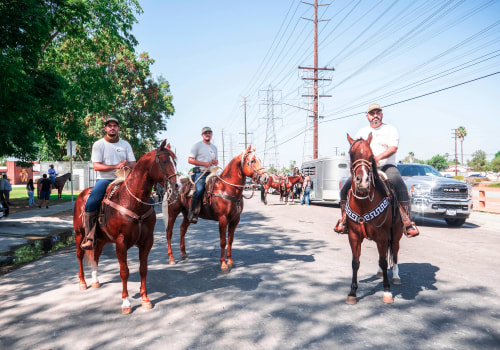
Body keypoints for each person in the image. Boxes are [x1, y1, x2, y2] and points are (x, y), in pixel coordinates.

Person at [333, 103, 419, 238]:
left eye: (378, 113)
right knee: (345, 189)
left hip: (386, 166)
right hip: (365, 168)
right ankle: (344, 220)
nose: (375, 116)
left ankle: (407, 222)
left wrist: (377, 158)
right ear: (367, 116)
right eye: (372, 113)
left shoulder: (390, 129)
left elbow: (393, 148)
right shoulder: (361, 132)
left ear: (382, 114)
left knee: (399, 184)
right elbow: (356, 152)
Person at [80, 117, 136, 250]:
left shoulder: (125, 144)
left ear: (118, 128)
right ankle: (90, 237)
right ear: (105, 128)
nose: (112, 128)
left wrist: (127, 164)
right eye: (109, 125)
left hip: (124, 179)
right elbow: (97, 166)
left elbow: (134, 163)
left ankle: (142, 232)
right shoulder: (99, 144)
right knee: (91, 202)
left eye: (115, 126)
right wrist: (116, 165)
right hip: (105, 179)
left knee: (147, 200)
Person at [187, 126, 218, 224]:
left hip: (212, 172)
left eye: (209, 133)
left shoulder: (214, 147)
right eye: (205, 133)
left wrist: (215, 162)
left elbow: (216, 162)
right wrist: (204, 163)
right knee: (199, 189)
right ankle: (193, 213)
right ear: (202, 135)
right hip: (201, 172)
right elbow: (190, 160)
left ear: (211, 134)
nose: (207, 134)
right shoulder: (197, 146)